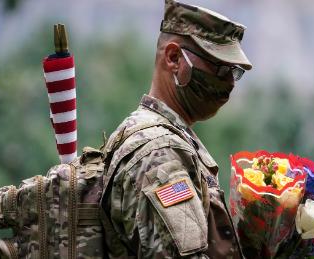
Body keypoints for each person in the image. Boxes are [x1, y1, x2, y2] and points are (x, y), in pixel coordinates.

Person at [100, 0, 253, 258]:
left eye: (234, 71)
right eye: (220, 67)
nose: (229, 82)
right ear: (173, 58)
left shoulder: (160, 137)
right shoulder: (158, 153)